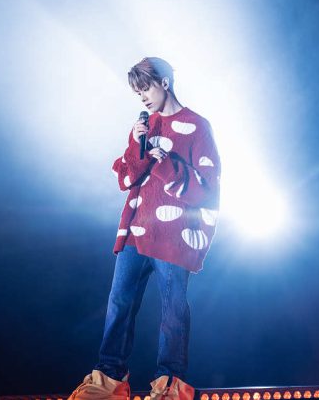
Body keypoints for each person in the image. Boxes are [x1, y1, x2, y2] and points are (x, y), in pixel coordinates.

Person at [68, 57, 221, 400]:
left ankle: (170, 385)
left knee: (172, 311)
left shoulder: (197, 126)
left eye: (146, 89)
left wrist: (163, 162)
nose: (143, 98)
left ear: (164, 82)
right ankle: (109, 381)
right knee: (119, 303)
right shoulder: (144, 127)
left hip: (174, 235)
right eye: (138, 94)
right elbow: (126, 178)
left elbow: (207, 189)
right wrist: (140, 149)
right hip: (136, 231)